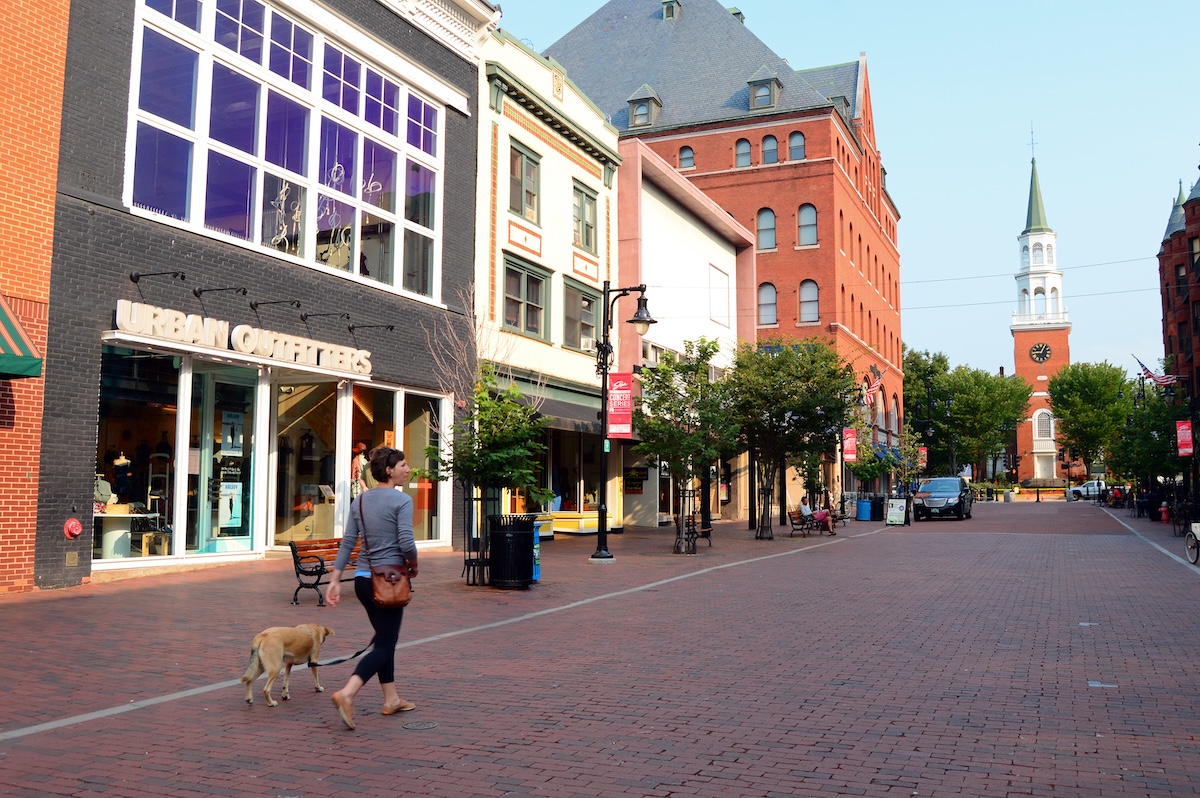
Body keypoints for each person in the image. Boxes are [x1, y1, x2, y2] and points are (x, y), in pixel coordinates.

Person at [325, 447, 419, 730]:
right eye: (403, 464)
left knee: (383, 638)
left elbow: (348, 541)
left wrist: (335, 579)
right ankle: (348, 692)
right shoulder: (402, 501)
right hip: (389, 581)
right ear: (389, 470)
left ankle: (391, 698)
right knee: (386, 643)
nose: (408, 469)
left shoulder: (361, 501)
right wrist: (413, 563)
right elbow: (406, 540)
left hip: (364, 582)